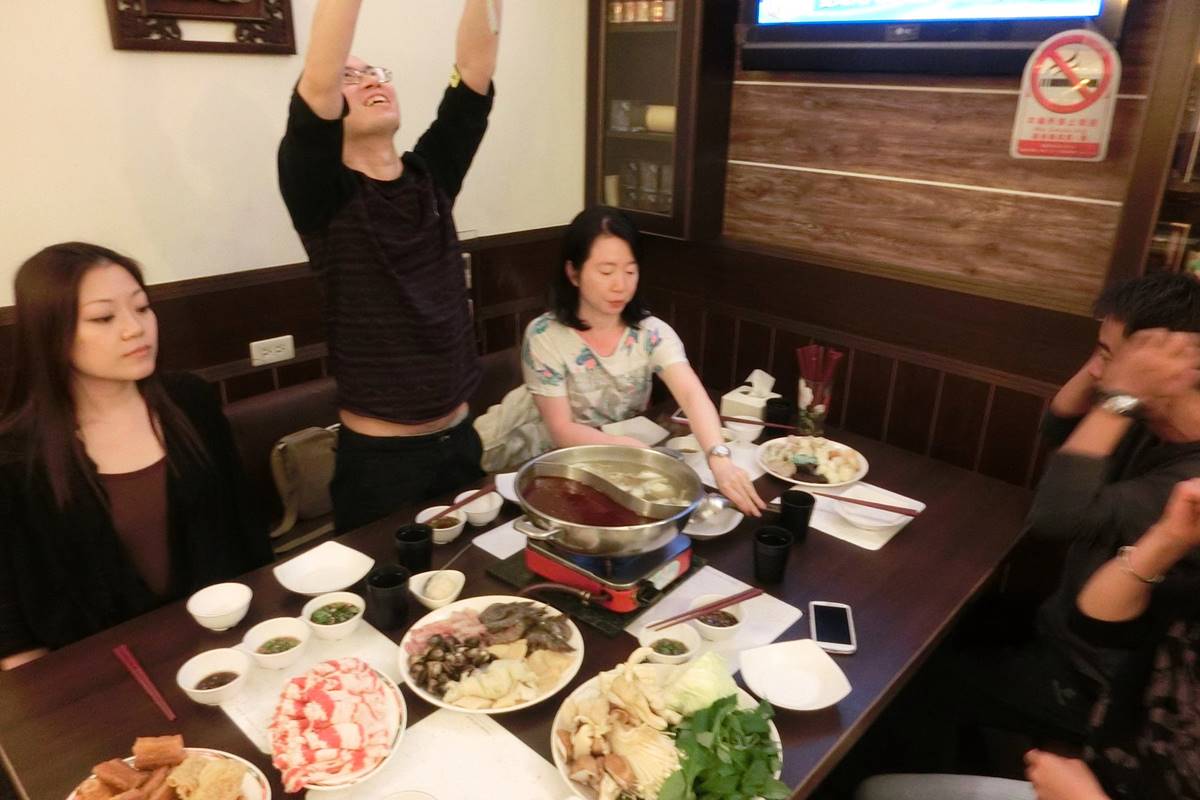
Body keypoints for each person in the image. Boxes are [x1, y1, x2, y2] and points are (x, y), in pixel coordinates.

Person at [277, 0, 501, 532]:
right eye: (352, 77)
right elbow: (318, 81)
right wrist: (331, 72)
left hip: (460, 440)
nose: (372, 81)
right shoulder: (322, 192)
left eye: (377, 72)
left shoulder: (432, 175)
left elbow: (474, 71)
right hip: (381, 463)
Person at [0, 243, 271, 670]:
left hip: (225, 650)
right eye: (104, 318)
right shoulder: (16, 455)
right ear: (50, 332)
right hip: (102, 675)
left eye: (142, 308)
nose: (134, 328)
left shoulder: (190, 401)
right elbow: (11, 618)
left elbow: (247, 527)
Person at [856, 478, 1200, 800]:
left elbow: (1056, 517)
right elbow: (1096, 622)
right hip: (1106, 770)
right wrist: (1169, 536)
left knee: (878, 786)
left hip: (1088, 785)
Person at [521, 206, 766, 516]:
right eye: (606, 272)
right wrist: (631, 449)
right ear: (573, 273)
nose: (620, 285)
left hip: (627, 465)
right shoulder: (545, 335)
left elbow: (691, 394)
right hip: (562, 469)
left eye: (630, 271)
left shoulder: (650, 333)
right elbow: (561, 429)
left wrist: (719, 458)